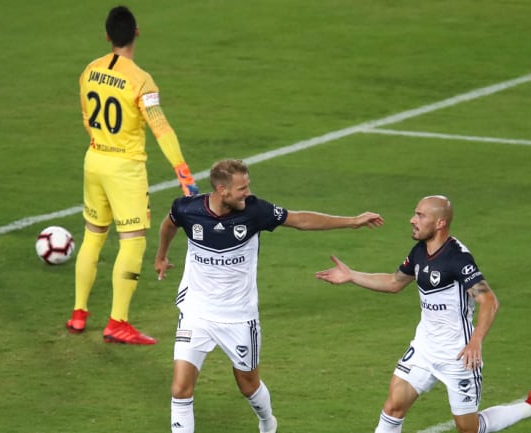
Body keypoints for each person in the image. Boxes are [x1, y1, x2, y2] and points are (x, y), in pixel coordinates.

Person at [154, 159, 384, 433]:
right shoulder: (187, 208)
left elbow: (300, 220)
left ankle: (267, 422)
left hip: (238, 318)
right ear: (222, 190)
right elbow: (169, 224)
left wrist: (353, 221)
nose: (248, 192)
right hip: (196, 312)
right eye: (242, 188)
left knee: (248, 386)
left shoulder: (255, 211)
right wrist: (161, 256)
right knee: (180, 389)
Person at [315, 195, 531, 433]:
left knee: (469, 428)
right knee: (394, 406)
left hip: (457, 354)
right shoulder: (419, 251)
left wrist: (475, 341)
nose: (412, 220)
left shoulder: (458, 259)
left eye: (420, 215)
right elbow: (394, 282)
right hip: (424, 348)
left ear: (440, 223)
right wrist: (352, 276)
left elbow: (489, 300)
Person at [65, 6, 199, 345]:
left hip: (94, 158)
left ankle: (79, 314)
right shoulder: (141, 80)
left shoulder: (90, 70)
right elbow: (159, 126)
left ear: (108, 36)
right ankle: (117, 322)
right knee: (133, 240)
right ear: (136, 32)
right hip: (125, 169)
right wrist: (182, 172)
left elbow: (85, 116)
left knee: (93, 235)